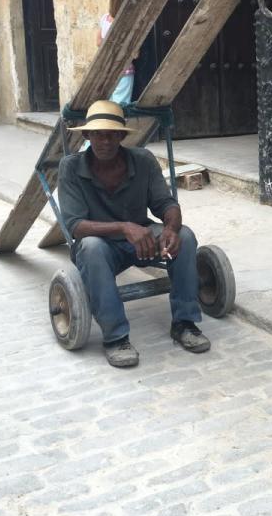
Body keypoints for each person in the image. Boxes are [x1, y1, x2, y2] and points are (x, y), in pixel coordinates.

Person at [58, 99, 210, 368]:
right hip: (102, 244)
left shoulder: (142, 160)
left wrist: (171, 228)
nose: (105, 141)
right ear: (87, 135)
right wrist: (124, 227)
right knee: (91, 247)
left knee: (185, 236)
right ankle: (116, 337)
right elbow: (75, 225)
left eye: (112, 135)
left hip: (142, 238)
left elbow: (166, 204)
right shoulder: (71, 167)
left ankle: (185, 323)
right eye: (98, 135)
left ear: (121, 136)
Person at [97, 0, 135, 107]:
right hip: (123, 67)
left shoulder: (104, 18)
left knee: (110, 102)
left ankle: (109, 124)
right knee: (121, 104)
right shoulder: (126, 23)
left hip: (106, 67)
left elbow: (98, 42)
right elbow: (134, 51)